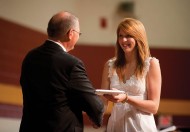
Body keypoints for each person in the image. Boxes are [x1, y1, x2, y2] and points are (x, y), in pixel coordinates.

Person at [19, 11, 104, 132]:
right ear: (70, 33)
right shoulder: (71, 64)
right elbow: (93, 103)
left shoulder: (30, 57)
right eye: (79, 33)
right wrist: (97, 118)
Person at [101, 18, 162, 132]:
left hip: (141, 127)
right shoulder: (110, 65)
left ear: (138, 37)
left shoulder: (150, 64)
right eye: (120, 35)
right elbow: (102, 102)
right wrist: (94, 115)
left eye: (128, 36)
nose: (123, 40)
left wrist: (126, 98)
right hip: (115, 126)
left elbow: (154, 107)